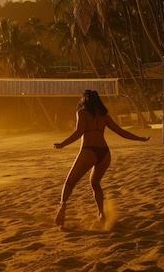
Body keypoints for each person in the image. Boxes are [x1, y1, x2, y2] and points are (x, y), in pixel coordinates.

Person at [53, 90, 149, 226]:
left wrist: (63, 144)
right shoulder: (104, 115)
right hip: (104, 153)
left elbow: (79, 132)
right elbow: (121, 132)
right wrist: (139, 138)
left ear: (84, 100)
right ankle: (101, 213)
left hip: (89, 151)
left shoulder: (82, 113)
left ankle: (62, 206)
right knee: (95, 184)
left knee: (69, 183)